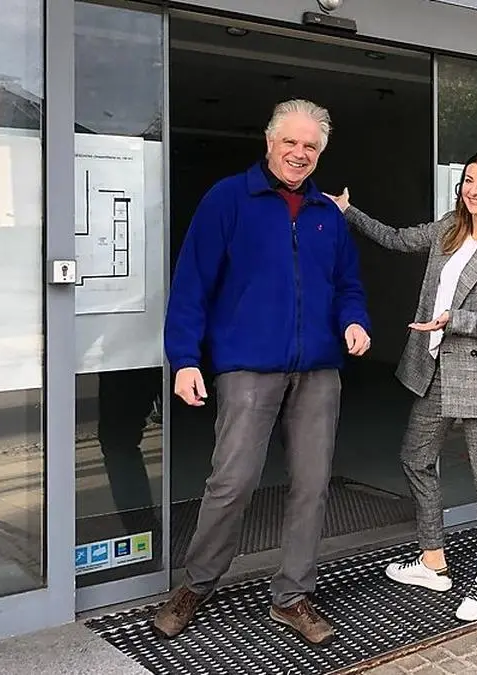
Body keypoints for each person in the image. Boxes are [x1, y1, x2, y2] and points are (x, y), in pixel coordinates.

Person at [152, 99, 371, 646]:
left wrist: (355, 321)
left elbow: (348, 284)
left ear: (320, 153)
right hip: (247, 366)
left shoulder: (326, 213)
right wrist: (184, 359)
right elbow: (192, 284)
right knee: (232, 482)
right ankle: (196, 584)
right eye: (290, 142)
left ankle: (292, 595)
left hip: (318, 369)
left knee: (312, 485)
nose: (299, 153)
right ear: (270, 142)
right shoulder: (228, 199)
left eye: (310, 146)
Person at [325, 149, 477, 622]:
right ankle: (433, 560)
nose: (473, 190)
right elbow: (398, 239)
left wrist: (453, 319)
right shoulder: (449, 228)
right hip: (437, 369)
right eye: (468, 180)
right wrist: (349, 212)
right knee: (415, 458)